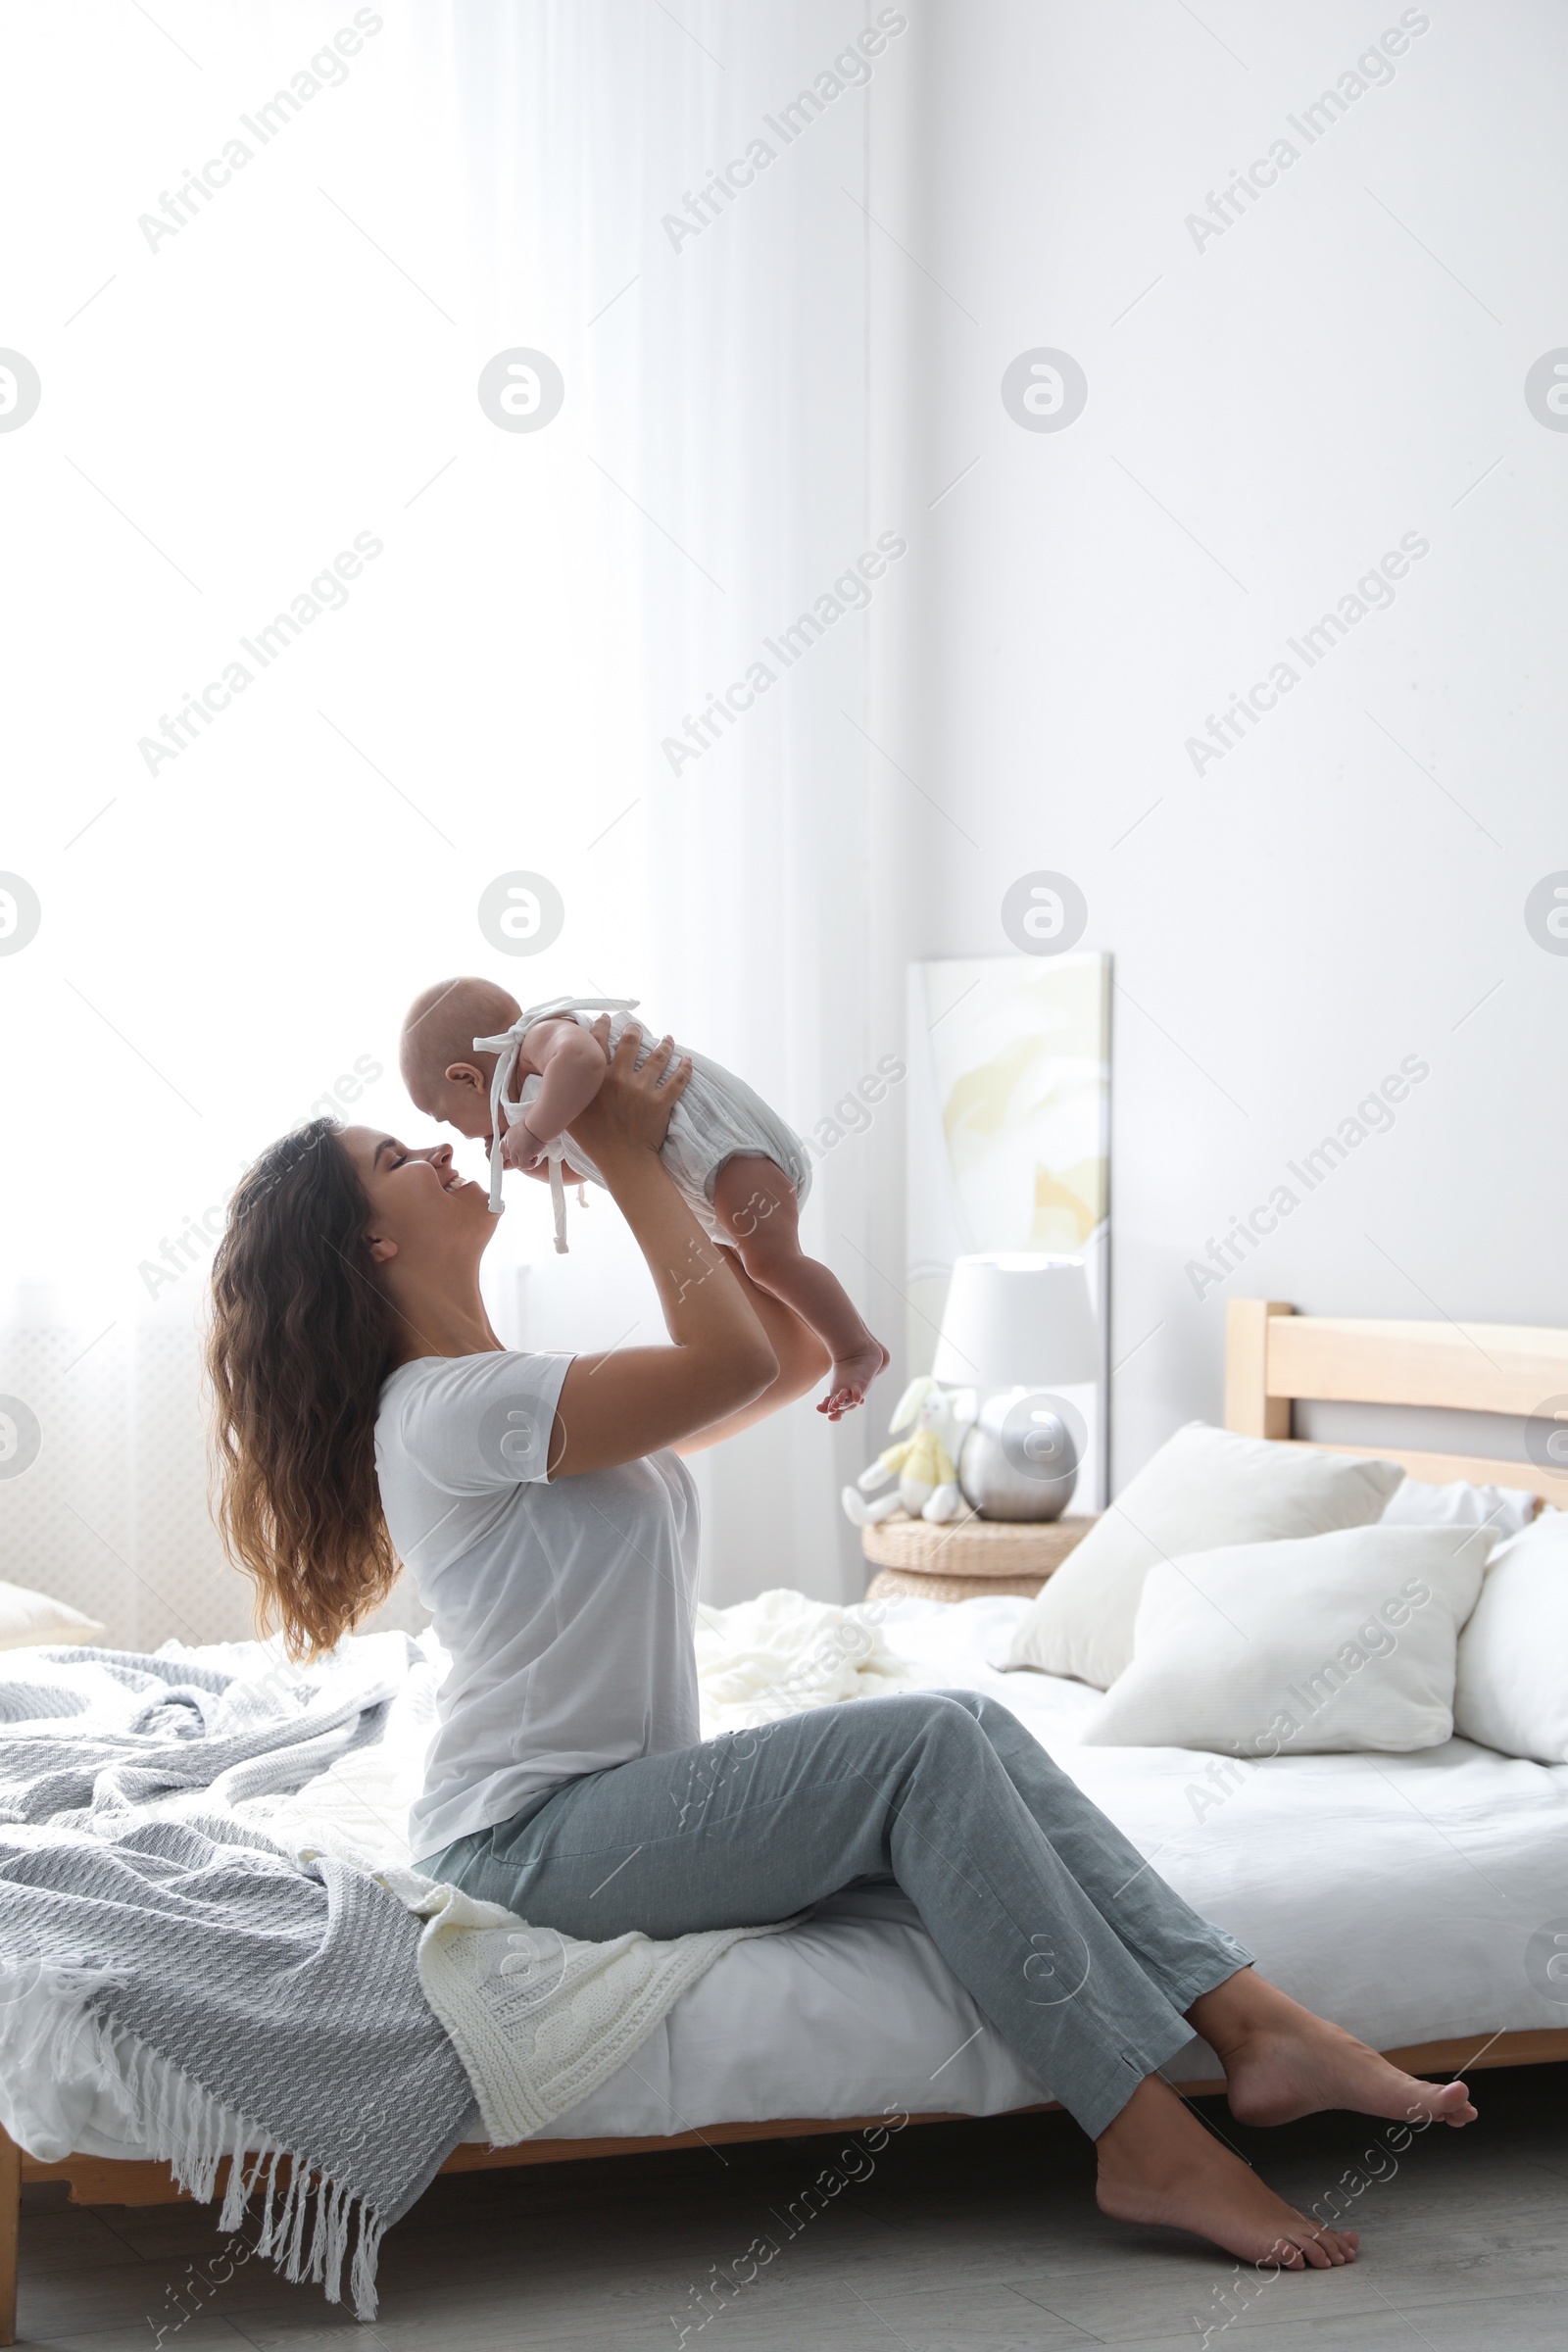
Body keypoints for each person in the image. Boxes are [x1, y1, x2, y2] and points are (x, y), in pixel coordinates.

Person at [207, 1020, 1475, 2275]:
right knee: (926, 1742)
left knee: (964, 1734)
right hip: (527, 1840)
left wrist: (685, 1183)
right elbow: (731, 1356)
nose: (438, 1150)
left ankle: (1253, 2022)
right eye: (393, 1159)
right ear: (370, 1242)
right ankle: (1148, 2141)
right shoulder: (446, 1411)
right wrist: (632, 1152)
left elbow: (787, 1357)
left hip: (607, 1814)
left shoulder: (509, 1390)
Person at [398, 975, 889, 1418]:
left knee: (772, 1263)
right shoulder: (544, 1098)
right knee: (741, 1276)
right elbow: (587, 1167)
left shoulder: (540, 1039)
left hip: (732, 1155)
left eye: (445, 1119)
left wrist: (530, 1130)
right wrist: (532, 1158)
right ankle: (829, 1342)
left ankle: (855, 1348)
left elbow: (584, 1059)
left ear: (467, 1077)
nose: (456, 1137)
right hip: (708, 1186)